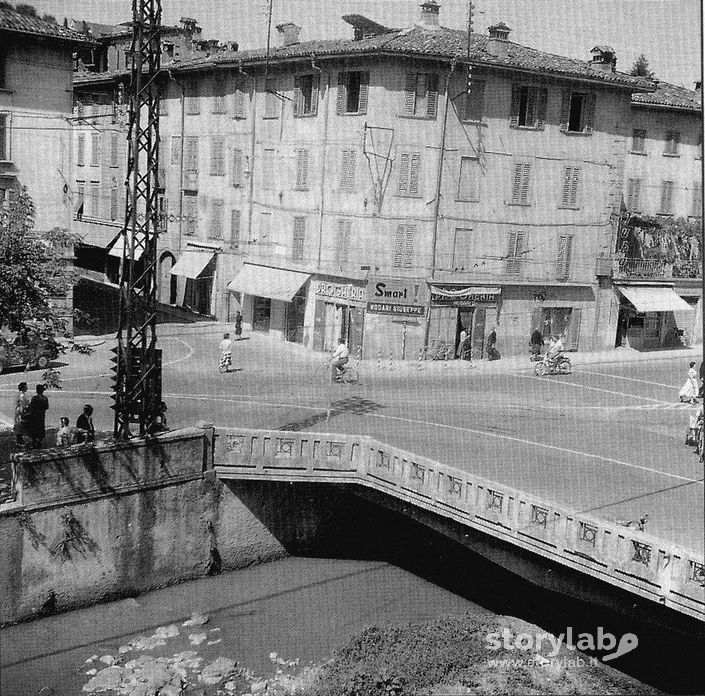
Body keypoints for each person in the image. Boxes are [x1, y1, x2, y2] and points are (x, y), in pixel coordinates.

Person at [27, 384, 49, 449]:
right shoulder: (45, 398)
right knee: (41, 428)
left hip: (34, 415)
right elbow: (46, 407)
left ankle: (34, 441)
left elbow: (31, 406)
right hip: (41, 415)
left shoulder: (34, 398)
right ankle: (39, 441)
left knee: (34, 428)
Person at [14, 381, 29, 446]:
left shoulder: (20, 394)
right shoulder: (22, 396)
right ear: (23, 388)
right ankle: (19, 441)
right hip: (20, 412)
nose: (27, 388)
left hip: (18, 411)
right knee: (20, 425)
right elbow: (22, 405)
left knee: (18, 425)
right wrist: (23, 412)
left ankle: (19, 440)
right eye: (26, 387)